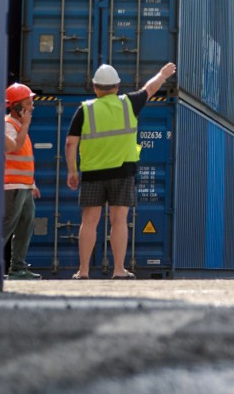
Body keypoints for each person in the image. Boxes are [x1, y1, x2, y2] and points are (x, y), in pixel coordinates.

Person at [64, 61, 175, 279]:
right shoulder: (129, 103)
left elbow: (70, 143)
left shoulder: (85, 109)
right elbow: (149, 89)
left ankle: (83, 271)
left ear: (95, 87)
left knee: (89, 222)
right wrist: (162, 74)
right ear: (117, 86)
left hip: (93, 173)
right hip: (123, 173)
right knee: (119, 220)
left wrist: (72, 171)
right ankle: (118, 270)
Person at [3, 83, 40, 280]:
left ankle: (18, 268)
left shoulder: (18, 126)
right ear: (16, 106)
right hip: (11, 187)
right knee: (6, 226)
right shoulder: (8, 125)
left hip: (24, 187)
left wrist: (32, 184)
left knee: (26, 226)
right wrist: (25, 125)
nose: (32, 106)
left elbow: (24, 159)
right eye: (28, 102)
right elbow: (14, 149)